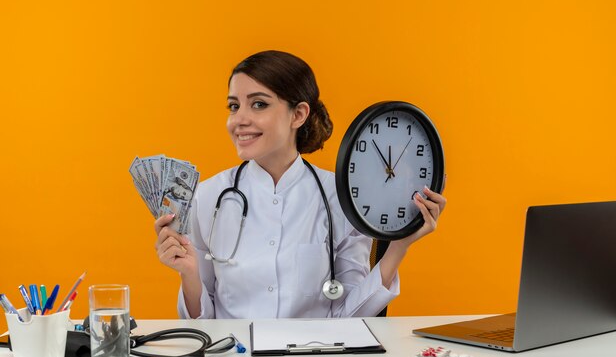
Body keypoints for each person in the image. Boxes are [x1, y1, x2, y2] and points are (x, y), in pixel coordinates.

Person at [154, 50, 447, 319]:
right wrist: (188, 273)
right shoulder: (208, 197)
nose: (238, 120)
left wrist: (399, 246)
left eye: (258, 104)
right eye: (234, 106)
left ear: (298, 114)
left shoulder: (340, 197)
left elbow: (350, 319)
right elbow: (204, 326)